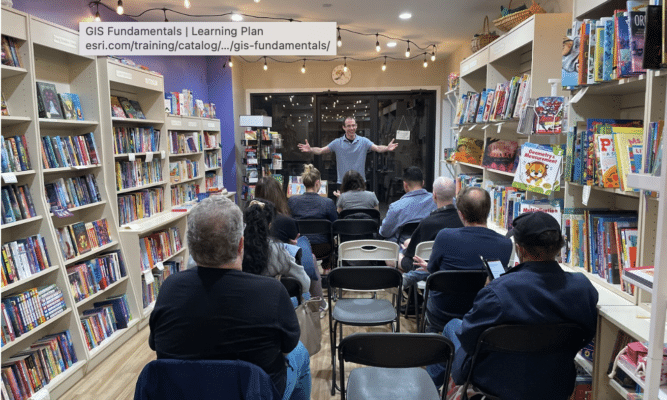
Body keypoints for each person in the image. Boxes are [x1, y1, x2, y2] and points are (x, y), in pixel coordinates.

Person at [148, 196, 311, 400]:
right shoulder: (272, 292)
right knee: (301, 354)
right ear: (240, 244)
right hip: (257, 394)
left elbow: (157, 347)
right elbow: (287, 348)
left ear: (190, 244)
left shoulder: (169, 289)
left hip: (184, 394)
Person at [429, 211, 598, 400]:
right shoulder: (584, 289)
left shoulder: (498, 292)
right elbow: (585, 336)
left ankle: (430, 390)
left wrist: (490, 290)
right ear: (559, 246)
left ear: (520, 249)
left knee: (452, 326)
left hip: (494, 386)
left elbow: (470, 339)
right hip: (555, 386)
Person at [415, 186, 513, 334]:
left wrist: (430, 267)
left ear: (460, 214)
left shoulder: (445, 236)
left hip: (443, 312)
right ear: (489, 211)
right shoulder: (505, 244)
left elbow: (434, 271)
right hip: (480, 313)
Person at [400, 177, 463, 288]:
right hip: (454, 270)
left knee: (395, 255)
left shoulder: (427, 223)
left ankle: (408, 294)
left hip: (428, 268)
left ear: (434, 195)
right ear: (455, 194)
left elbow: (411, 254)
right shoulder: (463, 220)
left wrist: (406, 249)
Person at [297, 116, 398, 184]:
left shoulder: (363, 141)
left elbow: (377, 148)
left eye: (353, 125)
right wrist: (310, 149)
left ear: (356, 126)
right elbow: (321, 150)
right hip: (343, 182)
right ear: (344, 127)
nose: (351, 128)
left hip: (360, 182)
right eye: (349, 126)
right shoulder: (337, 143)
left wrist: (387, 148)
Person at [243, 199, 311, 295]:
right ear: (269, 225)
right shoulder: (277, 251)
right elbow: (305, 284)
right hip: (271, 305)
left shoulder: (234, 250)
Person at [288, 164, 337, 267]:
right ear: (317, 183)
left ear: (303, 183)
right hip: (322, 248)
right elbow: (335, 225)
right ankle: (326, 267)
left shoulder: (292, 201)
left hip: (299, 247)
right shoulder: (327, 202)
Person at [271, 213, 324, 302]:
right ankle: (320, 305)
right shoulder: (284, 253)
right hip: (323, 246)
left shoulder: (246, 250)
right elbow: (305, 285)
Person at [378, 166, 436, 243]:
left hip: (403, 249)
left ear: (405, 185)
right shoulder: (437, 200)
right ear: (423, 183)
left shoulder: (396, 207)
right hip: (429, 246)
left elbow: (385, 232)